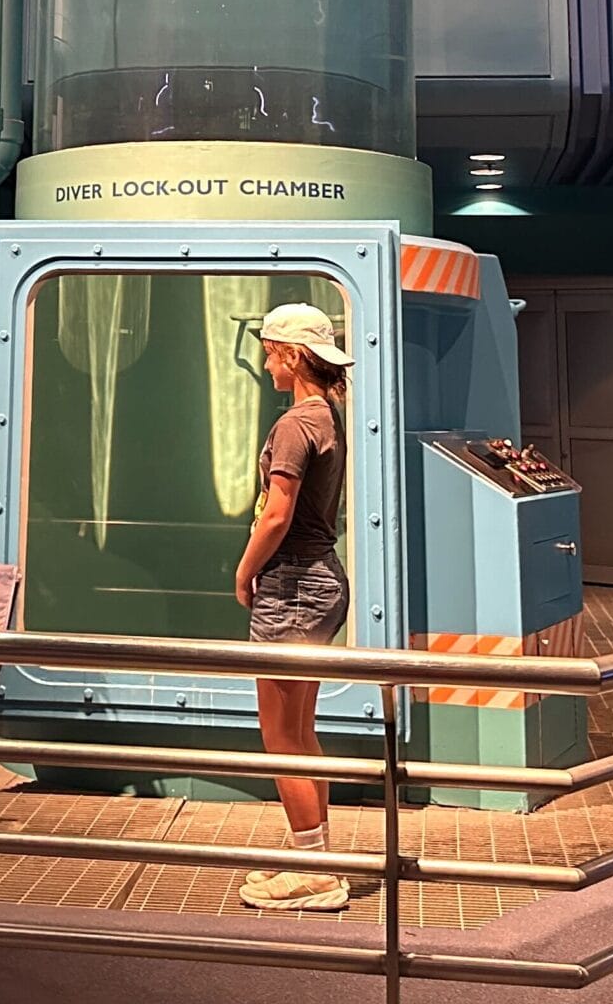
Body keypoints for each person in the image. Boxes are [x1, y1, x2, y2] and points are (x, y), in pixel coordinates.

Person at [232, 302, 354, 913]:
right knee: (301, 733)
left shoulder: (293, 424)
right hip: (320, 581)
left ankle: (316, 876)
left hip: (292, 585)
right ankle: (316, 861)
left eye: (268, 347)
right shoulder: (328, 416)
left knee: (281, 737)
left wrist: (245, 568)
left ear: (291, 355)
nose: (263, 357)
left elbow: (277, 514)